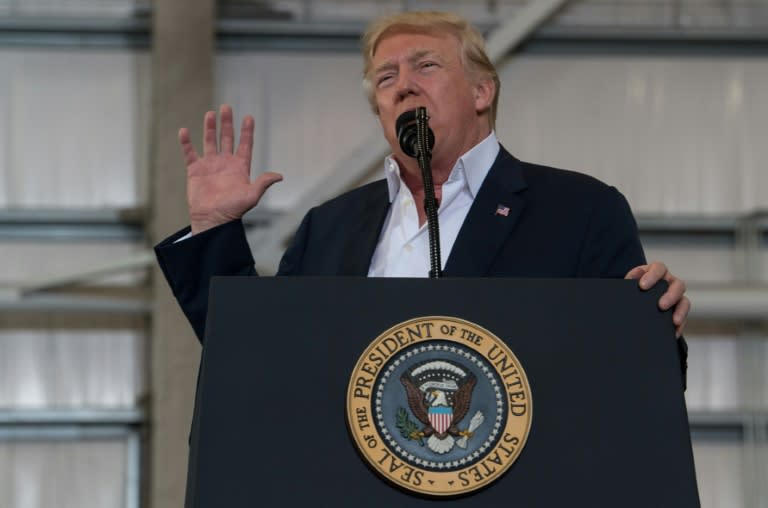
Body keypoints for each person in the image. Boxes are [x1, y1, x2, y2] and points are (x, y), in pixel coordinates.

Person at [155, 11, 690, 371]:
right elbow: (258, 360)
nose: (403, 84)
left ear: (482, 91)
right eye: (385, 79)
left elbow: (637, 378)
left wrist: (652, 321)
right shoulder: (330, 227)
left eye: (426, 66)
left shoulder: (581, 211)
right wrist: (213, 231)